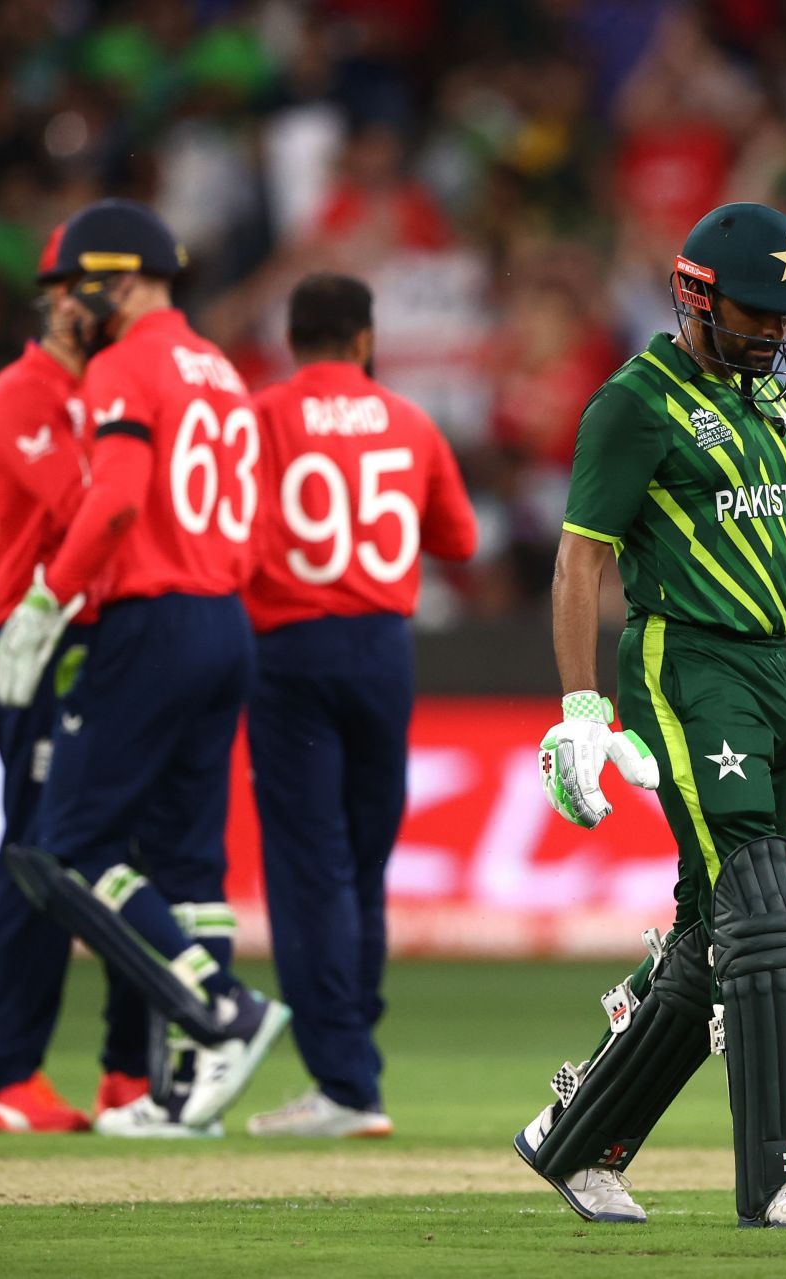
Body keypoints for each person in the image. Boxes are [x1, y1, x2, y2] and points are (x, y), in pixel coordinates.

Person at [515, 202, 786, 1230]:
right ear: (696, 296)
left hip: (771, 675)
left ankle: (576, 1137)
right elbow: (580, 558)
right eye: (759, 311)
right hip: (685, 668)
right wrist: (583, 708)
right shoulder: (633, 404)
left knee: (712, 927)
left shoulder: (767, 408)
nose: (778, 332)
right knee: (770, 911)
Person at [0, 198, 289, 1138]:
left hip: (147, 619)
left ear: (122, 277)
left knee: (72, 845)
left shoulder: (126, 365)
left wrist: (45, 602)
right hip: (223, 619)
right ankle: (189, 1086)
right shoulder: (224, 372)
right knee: (191, 861)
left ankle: (221, 1010)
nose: (74, 303)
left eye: (84, 283)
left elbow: (113, 502)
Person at [240, 272, 478, 1138]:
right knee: (365, 858)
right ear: (366, 340)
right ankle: (353, 1058)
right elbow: (459, 537)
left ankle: (343, 1080)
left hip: (289, 648)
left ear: (291, 338)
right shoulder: (409, 421)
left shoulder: (262, 418)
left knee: (312, 870)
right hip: (382, 649)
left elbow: (230, 529)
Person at [0, 226, 149, 1133]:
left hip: (114, 640)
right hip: (38, 642)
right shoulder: (19, 395)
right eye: (86, 290)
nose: (99, 306)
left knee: (126, 849)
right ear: (56, 297)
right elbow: (92, 507)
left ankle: (127, 1073)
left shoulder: (115, 388)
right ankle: (4, 1077)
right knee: (35, 852)